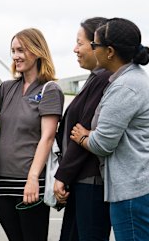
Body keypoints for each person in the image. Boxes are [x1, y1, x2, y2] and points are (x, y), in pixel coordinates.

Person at [70, 18, 149, 241]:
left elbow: (102, 144)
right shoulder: (134, 78)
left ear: (109, 51)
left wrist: (82, 136)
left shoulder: (125, 86)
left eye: (95, 45)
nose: (92, 49)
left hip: (137, 186)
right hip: (147, 180)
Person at [0, 28, 64, 241]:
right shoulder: (6, 88)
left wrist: (32, 179)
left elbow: (47, 137)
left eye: (21, 50)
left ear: (37, 51)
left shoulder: (49, 90)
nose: (16, 56)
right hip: (0, 180)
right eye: (13, 50)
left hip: (30, 181)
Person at [53, 17, 112, 241]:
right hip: (83, 182)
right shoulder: (95, 79)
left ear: (98, 45)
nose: (75, 49)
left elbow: (82, 133)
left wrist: (62, 176)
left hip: (91, 182)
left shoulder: (103, 79)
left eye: (80, 43)